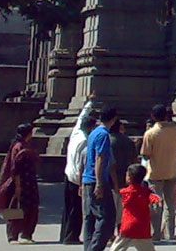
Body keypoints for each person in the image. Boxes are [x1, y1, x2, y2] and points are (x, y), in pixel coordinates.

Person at [0, 123, 40, 244]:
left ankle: (27, 234)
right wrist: (18, 186)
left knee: (31, 208)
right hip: (18, 182)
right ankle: (13, 236)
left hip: (30, 182)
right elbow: (15, 168)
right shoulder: (18, 147)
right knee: (15, 209)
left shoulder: (27, 145)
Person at [141, 104, 176, 241]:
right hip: (172, 170)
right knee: (170, 205)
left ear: (153, 116)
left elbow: (145, 154)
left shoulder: (150, 133)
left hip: (155, 173)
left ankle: (156, 233)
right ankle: (170, 233)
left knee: (156, 204)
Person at [83, 107, 121, 251]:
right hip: (97, 179)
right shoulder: (104, 135)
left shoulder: (94, 133)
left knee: (92, 218)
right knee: (107, 217)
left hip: (89, 179)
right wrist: (99, 183)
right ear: (114, 119)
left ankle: (89, 246)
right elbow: (100, 158)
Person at [61, 100, 97, 244]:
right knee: (76, 209)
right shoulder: (85, 141)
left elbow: (81, 117)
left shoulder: (76, 133)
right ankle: (71, 236)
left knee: (68, 207)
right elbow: (80, 164)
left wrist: (89, 103)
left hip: (68, 173)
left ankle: (65, 234)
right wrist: (81, 183)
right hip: (76, 177)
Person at [109, 164, 163, 251]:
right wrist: (157, 200)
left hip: (128, 226)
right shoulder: (146, 192)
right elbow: (153, 197)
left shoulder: (125, 192)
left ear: (129, 178)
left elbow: (118, 195)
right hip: (142, 227)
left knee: (116, 248)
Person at [110, 121, 137, 229]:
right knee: (123, 208)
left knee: (112, 208)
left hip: (110, 180)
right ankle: (122, 229)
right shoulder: (128, 141)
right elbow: (135, 160)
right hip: (126, 178)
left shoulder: (108, 141)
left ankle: (112, 232)